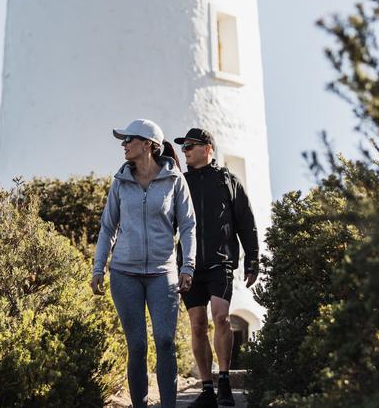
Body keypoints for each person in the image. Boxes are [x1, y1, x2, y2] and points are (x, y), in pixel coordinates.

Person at [91, 118, 196, 408]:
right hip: (125, 273)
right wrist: (99, 267)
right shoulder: (120, 181)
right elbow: (107, 227)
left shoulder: (175, 180)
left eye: (129, 140)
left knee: (164, 341)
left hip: (164, 274)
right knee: (137, 346)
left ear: (148, 144)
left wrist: (188, 265)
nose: (123, 145)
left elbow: (188, 225)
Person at [173, 128, 259, 408]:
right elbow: (167, 224)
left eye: (190, 146)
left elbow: (246, 221)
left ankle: (224, 381)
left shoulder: (227, 180)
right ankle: (207, 388)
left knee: (221, 317)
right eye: (183, 147)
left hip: (220, 262)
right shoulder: (180, 183)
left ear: (207, 148)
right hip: (188, 265)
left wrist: (253, 258)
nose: (185, 150)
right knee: (197, 325)